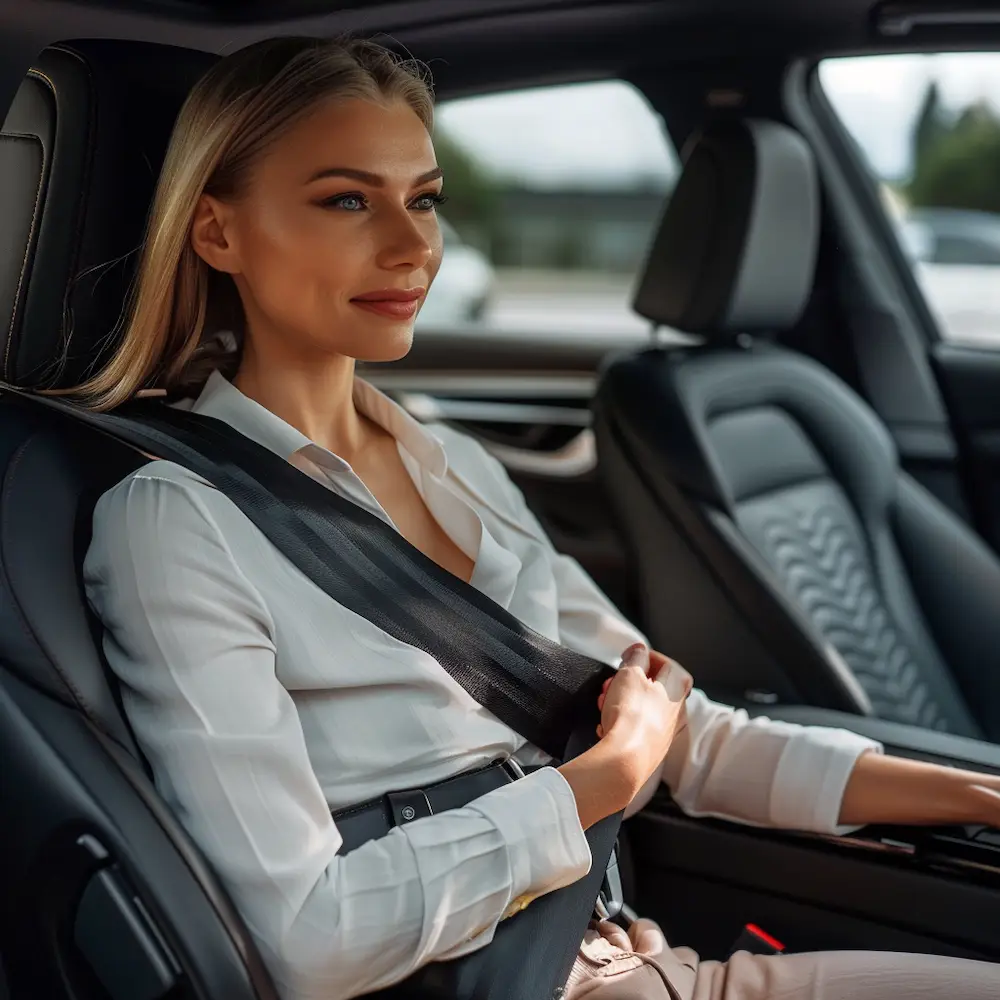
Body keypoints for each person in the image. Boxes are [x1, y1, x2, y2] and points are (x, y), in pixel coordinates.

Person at [77, 35, 1000, 1000]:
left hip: (646, 963)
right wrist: (601, 782)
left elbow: (684, 735)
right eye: (348, 199)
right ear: (218, 233)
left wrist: (975, 797)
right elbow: (307, 938)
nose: (413, 245)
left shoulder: (456, 467)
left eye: (423, 198)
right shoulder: (176, 527)